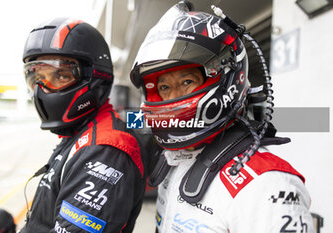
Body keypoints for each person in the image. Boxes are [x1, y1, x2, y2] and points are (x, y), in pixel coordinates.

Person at [130, 2, 315, 232]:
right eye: (164, 87)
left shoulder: (267, 186)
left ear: (225, 78)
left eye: (187, 82)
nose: (172, 97)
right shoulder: (173, 159)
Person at [20, 18, 148, 233]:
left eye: (60, 75)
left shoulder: (105, 148)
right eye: (38, 78)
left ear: (94, 76)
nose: (42, 90)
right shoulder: (80, 133)